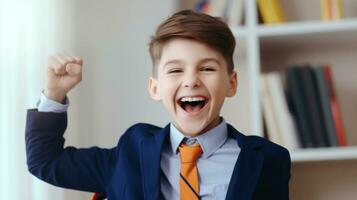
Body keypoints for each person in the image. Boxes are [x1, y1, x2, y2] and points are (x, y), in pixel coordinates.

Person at [25, 10, 291, 200]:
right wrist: (54, 93)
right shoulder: (130, 151)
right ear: (155, 88)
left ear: (231, 83)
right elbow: (45, 162)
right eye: (175, 71)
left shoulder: (268, 160)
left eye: (207, 68)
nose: (191, 80)